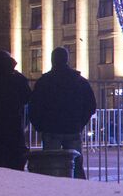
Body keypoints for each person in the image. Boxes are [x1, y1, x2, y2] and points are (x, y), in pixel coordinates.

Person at [28, 46, 97, 178]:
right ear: (67, 60)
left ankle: (53, 191)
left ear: (52, 60)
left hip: (51, 129)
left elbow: (34, 106)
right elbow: (91, 105)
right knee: (76, 164)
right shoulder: (79, 81)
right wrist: (80, 123)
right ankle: (79, 190)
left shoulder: (44, 81)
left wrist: (40, 126)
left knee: (50, 165)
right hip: (72, 128)